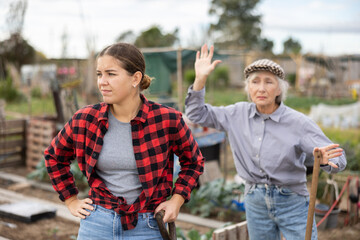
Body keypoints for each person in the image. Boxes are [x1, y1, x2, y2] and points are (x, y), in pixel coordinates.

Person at [185, 44, 347, 240]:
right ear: (248, 87)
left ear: (279, 88)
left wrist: (327, 162)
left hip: (292, 201)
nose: (261, 88)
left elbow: (338, 159)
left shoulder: (298, 123)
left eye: (269, 82)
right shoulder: (236, 114)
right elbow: (196, 113)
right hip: (255, 202)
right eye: (255, 82)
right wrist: (200, 79)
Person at [44, 42, 204, 240]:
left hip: (148, 226)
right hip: (97, 224)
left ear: (135, 78)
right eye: (99, 74)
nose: (102, 81)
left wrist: (176, 201)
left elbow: (194, 161)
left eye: (111, 74)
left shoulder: (166, 119)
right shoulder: (85, 119)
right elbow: (54, 156)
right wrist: (71, 200)